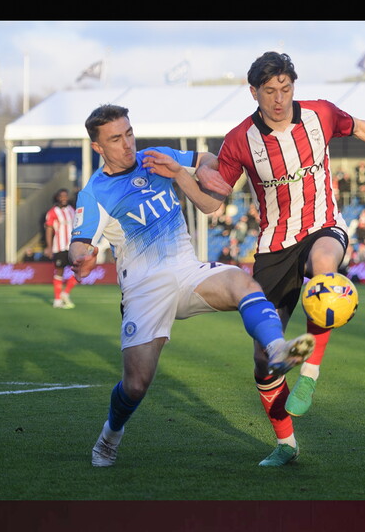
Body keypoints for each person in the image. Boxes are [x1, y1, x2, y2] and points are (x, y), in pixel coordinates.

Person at [195, 51, 365, 466]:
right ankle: (286, 444)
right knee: (264, 362)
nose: (279, 98)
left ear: (293, 87)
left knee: (325, 272)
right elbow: (213, 204)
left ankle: (310, 375)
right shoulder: (239, 140)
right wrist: (183, 175)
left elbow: (360, 128)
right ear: (254, 92)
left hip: (324, 226)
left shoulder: (320, 115)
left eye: (285, 89)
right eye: (269, 91)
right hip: (274, 246)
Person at [69, 104, 315, 467]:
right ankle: (109, 437)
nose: (127, 144)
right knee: (136, 385)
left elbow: (208, 157)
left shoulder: (157, 158)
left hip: (188, 271)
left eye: (129, 133)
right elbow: (80, 242)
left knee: (243, 283)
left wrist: (200, 168)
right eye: (116, 139)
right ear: (98, 147)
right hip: (144, 290)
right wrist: (82, 256)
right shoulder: (94, 193)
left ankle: (277, 349)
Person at [44, 188, 79, 309]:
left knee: (79, 269)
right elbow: (49, 230)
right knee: (59, 271)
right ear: (57, 198)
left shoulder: (72, 210)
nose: (64, 198)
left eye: (66, 196)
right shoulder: (52, 212)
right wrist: (48, 247)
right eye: (61, 196)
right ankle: (57, 299)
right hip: (59, 246)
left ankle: (66, 292)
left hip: (73, 246)